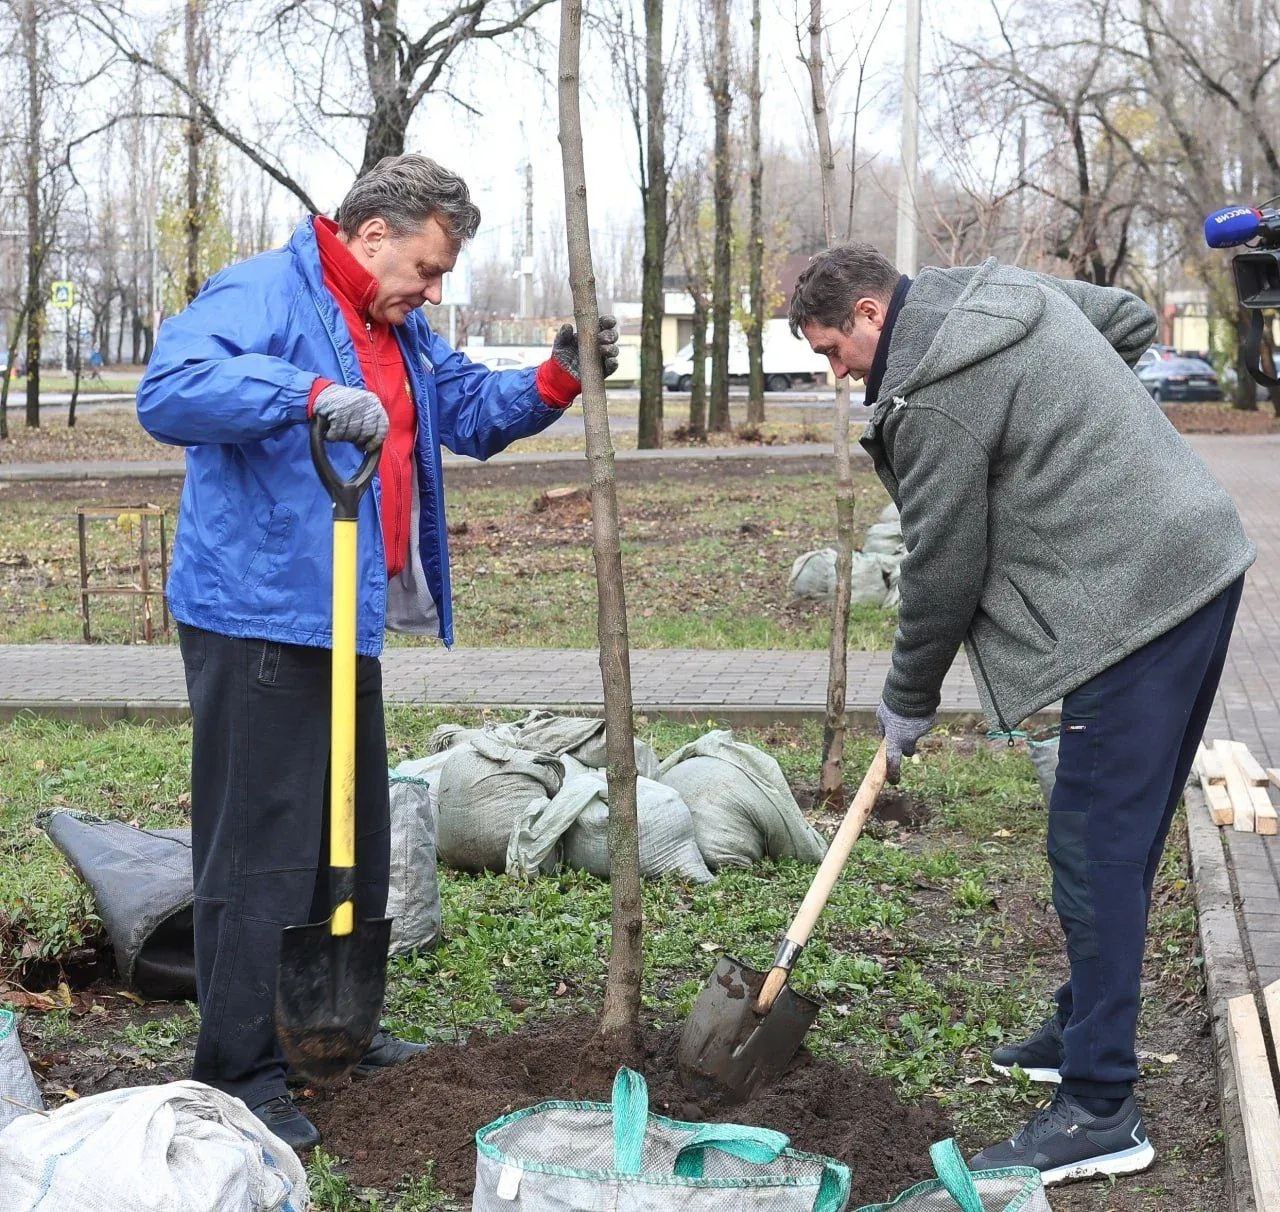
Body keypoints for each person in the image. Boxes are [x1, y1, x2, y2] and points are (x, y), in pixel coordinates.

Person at [137, 154, 619, 1150]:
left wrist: (559, 374)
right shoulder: (266, 291)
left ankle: (328, 1030)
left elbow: (469, 415)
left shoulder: (398, 329)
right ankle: (237, 1068)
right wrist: (303, 395)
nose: (434, 289)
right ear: (370, 235)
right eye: (428, 267)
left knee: (343, 842)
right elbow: (171, 389)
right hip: (256, 612)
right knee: (261, 847)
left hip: (341, 615)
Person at [790, 245, 1253, 1185]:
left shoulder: (930, 396)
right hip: (1197, 558)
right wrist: (1073, 434)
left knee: (1092, 845)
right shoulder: (998, 290)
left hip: (1132, 604)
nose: (835, 372)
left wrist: (906, 702)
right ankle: (1083, 1020)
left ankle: (1099, 1106)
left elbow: (942, 566)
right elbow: (1124, 319)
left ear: (873, 314)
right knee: (1122, 835)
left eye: (834, 349)